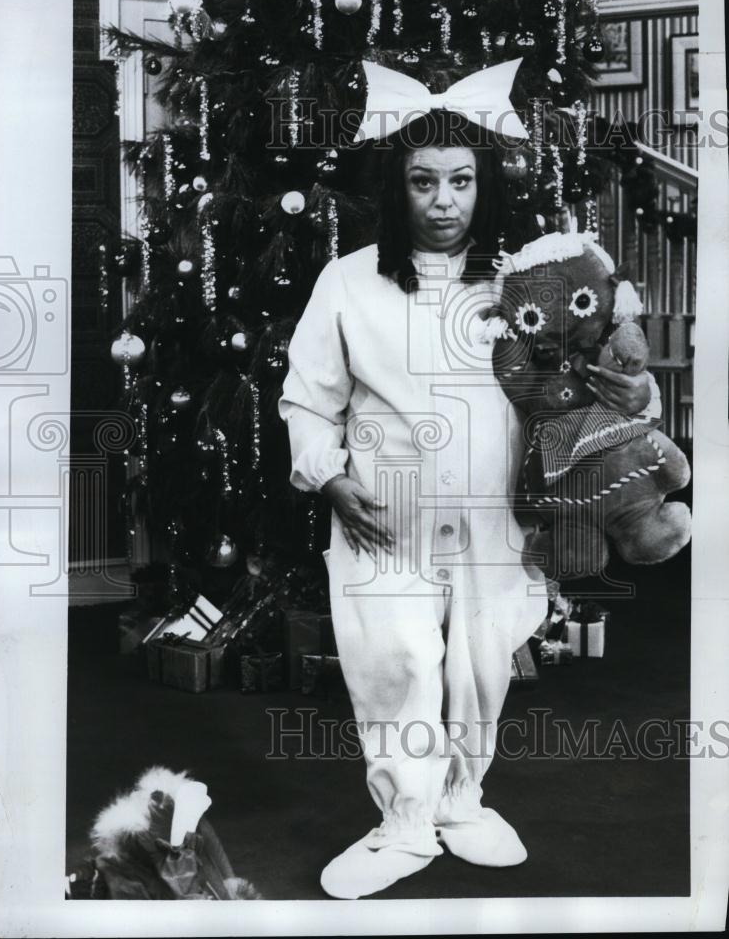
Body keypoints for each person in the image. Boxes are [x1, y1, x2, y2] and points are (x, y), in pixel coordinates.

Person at [278, 60, 657, 900]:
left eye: (460, 181)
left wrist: (637, 393)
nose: (443, 201)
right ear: (397, 187)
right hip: (385, 512)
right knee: (398, 658)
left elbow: (600, 375)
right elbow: (307, 398)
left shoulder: (530, 280)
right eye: (423, 182)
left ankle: (461, 801)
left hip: (497, 514)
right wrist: (329, 478)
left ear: (483, 186)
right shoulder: (347, 282)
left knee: (480, 661)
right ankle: (403, 820)